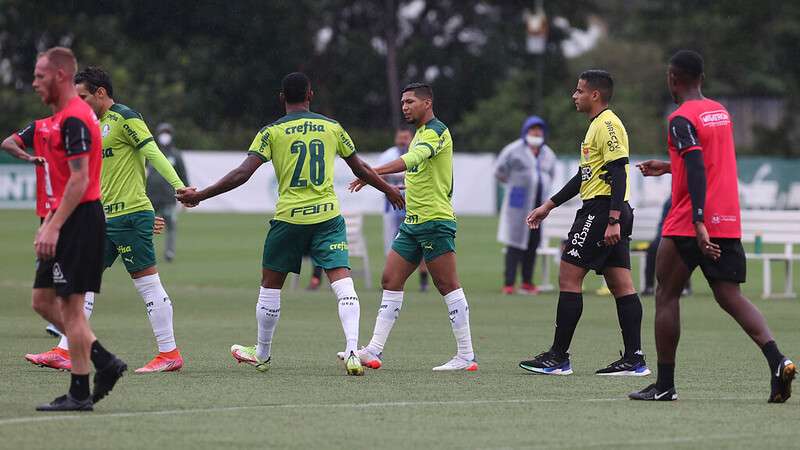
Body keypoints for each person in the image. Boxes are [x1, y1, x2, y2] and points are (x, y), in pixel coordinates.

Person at [175, 72, 404, 376]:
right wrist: (388, 189)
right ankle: (352, 351)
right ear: (311, 95)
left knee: (270, 285)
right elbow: (359, 166)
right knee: (342, 281)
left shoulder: (271, 132)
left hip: (289, 219)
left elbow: (242, 173)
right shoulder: (332, 127)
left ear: (281, 97)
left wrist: (201, 195)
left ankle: (263, 353)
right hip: (327, 217)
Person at [631, 50, 795, 402]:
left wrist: (699, 220)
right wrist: (668, 165)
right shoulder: (719, 112)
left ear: (673, 79)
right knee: (730, 295)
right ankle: (777, 360)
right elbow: (704, 161)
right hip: (728, 218)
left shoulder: (679, 118)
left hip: (691, 222)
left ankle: (664, 385)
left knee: (666, 295)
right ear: (701, 78)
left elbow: (697, 170)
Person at [24, 67, 187, 374]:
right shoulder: (87, 125)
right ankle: (66, 351)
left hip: (129, 216)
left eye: (83, 96)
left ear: (100, 93)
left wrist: (178, 187)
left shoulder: (126, 117)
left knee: (147, 284)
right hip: (103, 218)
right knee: (78, 283)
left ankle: (169, 354)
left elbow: (153, 152)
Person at [519, 70, 649, 376]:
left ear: (595, 95)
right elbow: (584, 177)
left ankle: (558, 357)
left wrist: (613, 219)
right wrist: (548, 206)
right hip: (605, 210)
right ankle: (634, 359)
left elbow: (619, 172)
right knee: (621, 284)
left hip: (603, 211)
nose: (574, 96)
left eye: (578, 91)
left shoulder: (608, 125)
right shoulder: (594, 128)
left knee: (568, 277)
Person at [18, 47, 125, 411]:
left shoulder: (76, 119)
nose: (34, 83)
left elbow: (79, 181)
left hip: (80, 219)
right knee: (43, 301)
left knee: (72, 308)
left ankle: (80, 391)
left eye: (40, 76)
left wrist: (53, 226)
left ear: (60, 76)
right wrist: (47, 223)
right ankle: (104, 361)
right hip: (64, 217)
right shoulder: (59, 118)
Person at [345, 82, 478, 371]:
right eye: (403, 102)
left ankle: (466, 355)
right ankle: (373, 350)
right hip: (412, 223)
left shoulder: (437, 131)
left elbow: (411, 161)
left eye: (410, 102)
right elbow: (420, 174)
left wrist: (370, 171)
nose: (404, 107)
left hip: (435, 221)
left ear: (427, 103)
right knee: (390, 279)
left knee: (446, 285)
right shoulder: (419, 135)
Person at [495, 116, 557, 295]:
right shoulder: (514, 150)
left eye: (539, 130)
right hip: (518, 204)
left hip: (539, 205)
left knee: (533, 244)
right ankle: (509, 282)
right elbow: (499, 170)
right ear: (526, 131)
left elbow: (550, 174)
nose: (536, 133)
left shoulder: (548, 153)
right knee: (514, 244)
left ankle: (527, 282)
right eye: (533, 130)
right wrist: (514, 185)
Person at [377, 127, 430, 292]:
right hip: (392, 205)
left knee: (420, 241)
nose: (402, 141)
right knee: (392, 241)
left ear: (412, 138)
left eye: (406, 138)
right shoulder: (389, 155)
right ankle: (391, 278)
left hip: (415, 204)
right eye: (400, 138)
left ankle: (423, 280)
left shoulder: (419, 151)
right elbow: (379, 175)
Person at [146, 122, 189, 262]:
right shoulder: (150, 152)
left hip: (168, 197)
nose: (165, 136)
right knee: (145, 226)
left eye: (167, 133)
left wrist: (186, 196)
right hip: (151, 196)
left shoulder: (176, 154)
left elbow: (183, 175)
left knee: (170, 226)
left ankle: (169, 252)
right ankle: (139, 251)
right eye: (163, 132)